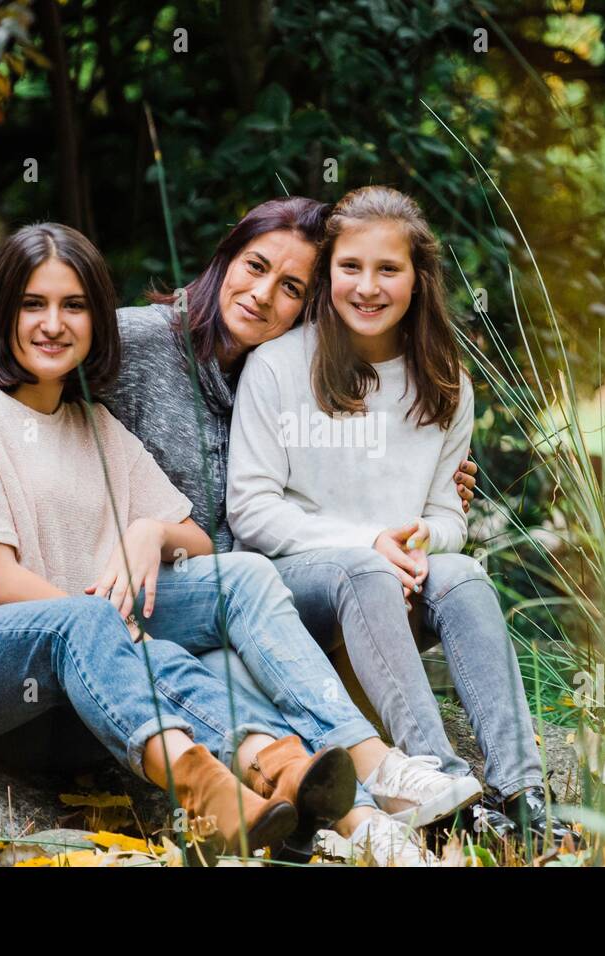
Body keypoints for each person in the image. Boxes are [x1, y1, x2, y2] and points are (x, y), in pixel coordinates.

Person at [0, 199, 483, 861]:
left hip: (74, 661)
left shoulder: (106, 427)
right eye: (32, 306)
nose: (53, 324)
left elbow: (193, 536)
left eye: (74, 307)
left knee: (232, 585)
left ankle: (358, 805)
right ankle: (208, 791)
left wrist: (148, 532)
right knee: (102, 627)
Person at [227, 186, 557, 846]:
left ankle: (523, 794)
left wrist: (421, 536)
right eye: (351, 267)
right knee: (362, 569)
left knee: (462, 573)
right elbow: (251, 510)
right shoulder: (278, 367)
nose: (368, 286)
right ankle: (436, 779)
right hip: (298, 588)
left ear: (418, 277)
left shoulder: (444, 379)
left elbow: (448, 514)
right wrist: (370, 542)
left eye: (389, 269)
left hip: (399, 581)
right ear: (327, 275)